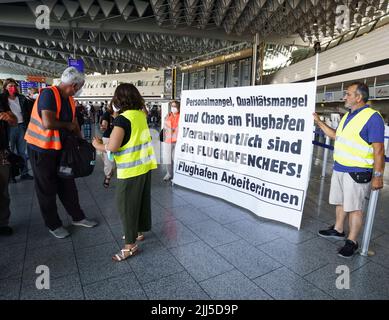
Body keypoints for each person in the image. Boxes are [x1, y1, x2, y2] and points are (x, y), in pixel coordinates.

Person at [24, 67, 97, 239]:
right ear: (73, 85)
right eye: (80, 86)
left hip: (60, 150)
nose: (80, 89)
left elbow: (74, 122)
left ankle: (78, 217)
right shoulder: (48, 94)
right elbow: (48, 123)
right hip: (41, 150)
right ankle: (53, 224)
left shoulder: (70, 99)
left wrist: (81, 141)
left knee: (68, 184)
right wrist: (68, 127)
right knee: (46, 188)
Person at [314, 82, 385, 258]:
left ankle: (352, 241)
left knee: (355, 208)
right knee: (341, 202)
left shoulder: (373, 118)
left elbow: (379, 150)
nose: (344, 97)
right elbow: (336, 136)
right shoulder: (348, 116)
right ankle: (338, 229)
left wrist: (378, 175)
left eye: (348, 94)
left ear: (359, 97)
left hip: (357, 171)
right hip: (340, 168)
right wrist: (318, 122)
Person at [92, 83, 157, 261]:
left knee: (126, 206)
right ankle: (138, 232)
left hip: (130, 170)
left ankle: (130, 246)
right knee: (141, 201)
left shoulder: (122, 120)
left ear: (118, 99)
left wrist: (97, 145)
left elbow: (112, 146)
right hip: (145, 166)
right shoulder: (141, 115)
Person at [1, 79, 34, 182]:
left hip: (21, 126)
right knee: (10, 151)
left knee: (22, 152)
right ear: (5, 87)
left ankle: (24, 173)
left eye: (14, 86)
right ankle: (12, 176)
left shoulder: (21, 98)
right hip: (8, 128)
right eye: (10, 86)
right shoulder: (2, 98)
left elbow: (28, 113)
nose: (13, 88)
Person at [0, 97, 17, 236]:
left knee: (3, 192)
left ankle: (2, 223)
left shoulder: (1, 101)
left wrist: (9, 116)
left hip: (1, 154)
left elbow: (14, 121)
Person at [162, 100, 180, 181]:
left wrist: (173, 129)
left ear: (178, 107)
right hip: (168, 140)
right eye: (172, 106)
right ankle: (169, 174)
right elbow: (165, 127)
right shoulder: (168, 116)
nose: (173, 108)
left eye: (175, 106)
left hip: (177, 141)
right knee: (168, 158)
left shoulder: (181, 116)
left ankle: (177, 174)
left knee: (175, 158)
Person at [99, 102, 115, 188]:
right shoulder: (107, 114)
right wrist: (103, 126)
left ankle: (109, 173)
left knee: (110, 159)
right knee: (109, 160)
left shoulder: (121, 114)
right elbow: (104, 124)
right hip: (108, 139)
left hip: (118, 138)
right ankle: (108, 177)